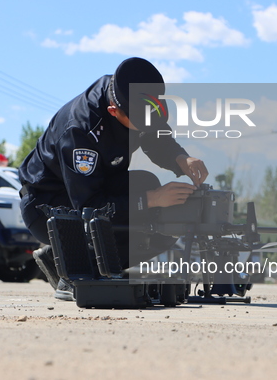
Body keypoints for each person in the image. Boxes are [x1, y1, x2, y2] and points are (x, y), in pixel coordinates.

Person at [19, 57, 208, 300]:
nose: (143, 129)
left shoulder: (131, 93)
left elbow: (156, 137)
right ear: (113, 111)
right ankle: (73, 269)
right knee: (146, 200)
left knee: (157, 212)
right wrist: (150, 200)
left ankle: (71, 258)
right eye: (138, 125)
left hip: (93, 189)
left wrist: (181, 158)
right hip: (51, 206)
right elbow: (89, 207)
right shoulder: (80, 131)